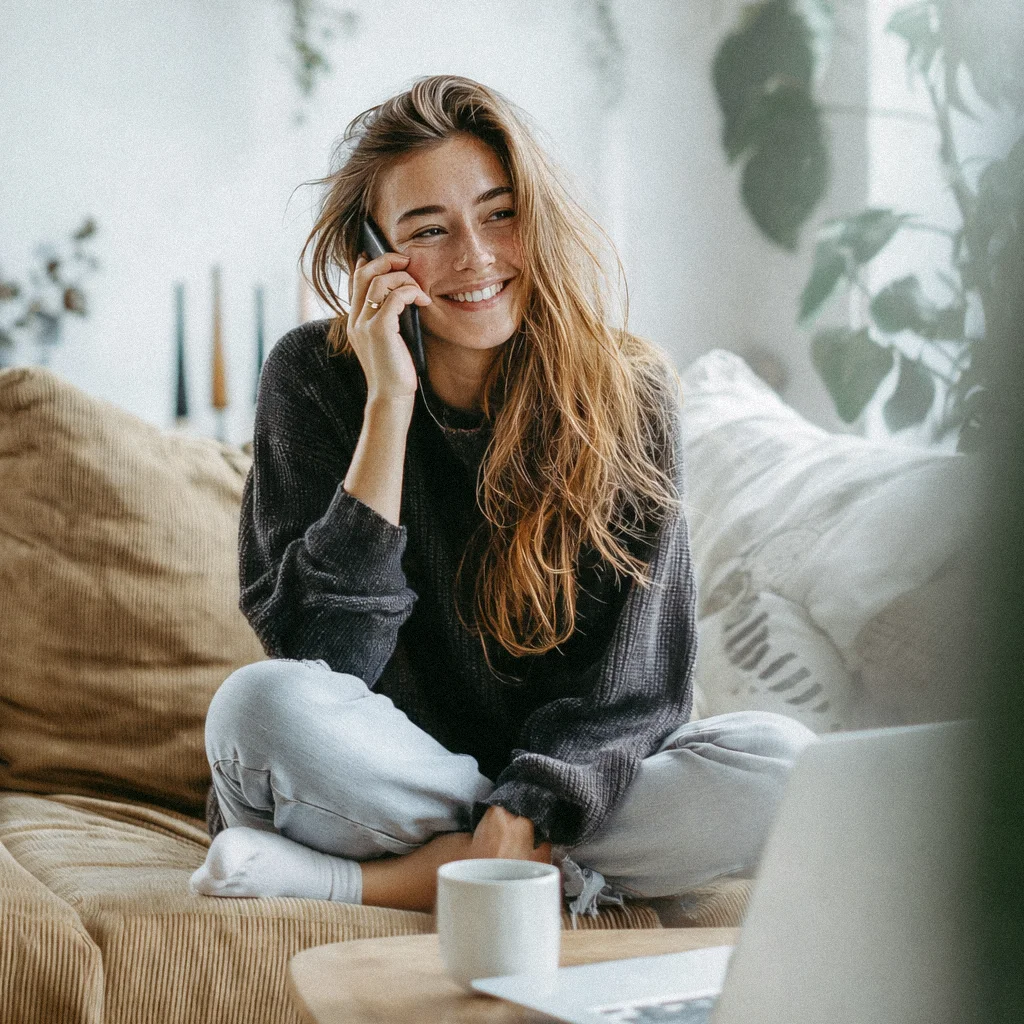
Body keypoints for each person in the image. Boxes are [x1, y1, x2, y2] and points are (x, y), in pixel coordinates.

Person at [189, 75, 814, 916]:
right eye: (428, 230)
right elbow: (327, 662)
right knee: (258, 709)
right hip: (379, 776)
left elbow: (634, 689)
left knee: (784, 764)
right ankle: (530, 865)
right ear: (374, 254)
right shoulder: (310, 376)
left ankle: (380, 881)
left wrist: (528, 805)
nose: (475, 257)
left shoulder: (628, 392)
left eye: (499, 213)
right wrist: (389, 403)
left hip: (555, 788)